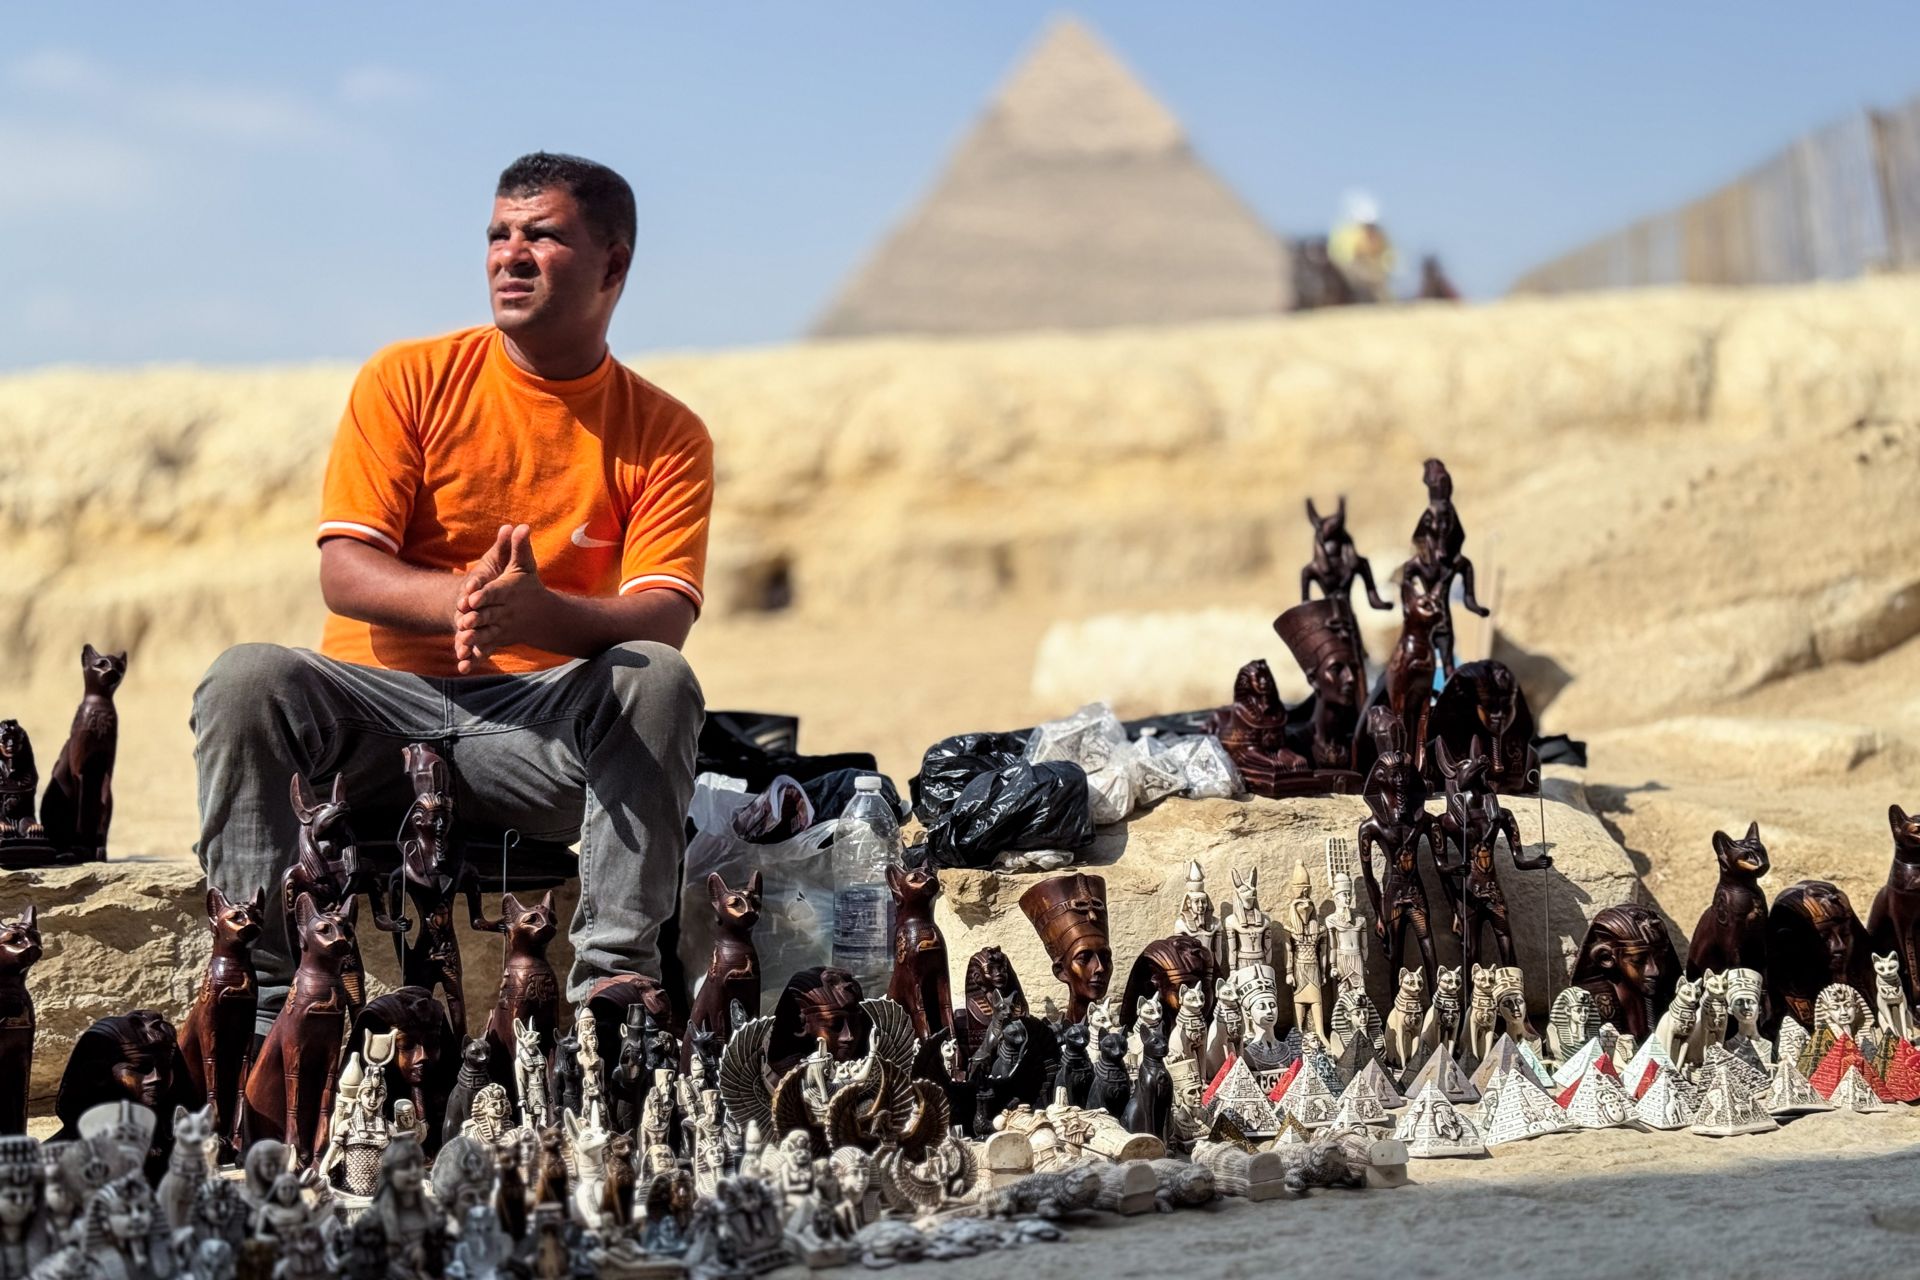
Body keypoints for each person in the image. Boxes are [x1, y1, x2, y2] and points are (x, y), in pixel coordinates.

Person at [193, 153, 712, 1029]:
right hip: (376, 724)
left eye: (541, 235)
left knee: (656, 680)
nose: (510, 255)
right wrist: (463, 602)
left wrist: (543, 616)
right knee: (245, 678)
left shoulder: (666, 433)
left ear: (612, 266)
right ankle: (266, 994)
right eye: (498, 235)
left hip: (534, 740)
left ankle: (612, 993)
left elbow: (664, 617)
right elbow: (344, 570)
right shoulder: (409, 377)